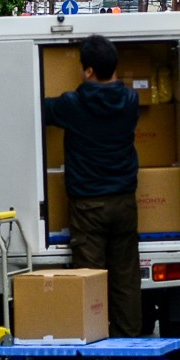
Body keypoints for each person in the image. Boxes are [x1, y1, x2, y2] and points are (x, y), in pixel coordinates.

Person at [41, 34, 143, 338]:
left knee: (90, 276)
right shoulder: (130, 101)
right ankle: (129, 338)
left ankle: (94, 339)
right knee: (125, 276)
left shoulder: (74, 104)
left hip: (88, 204)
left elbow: (42, 109)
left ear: (88, 71)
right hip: (125, 200)